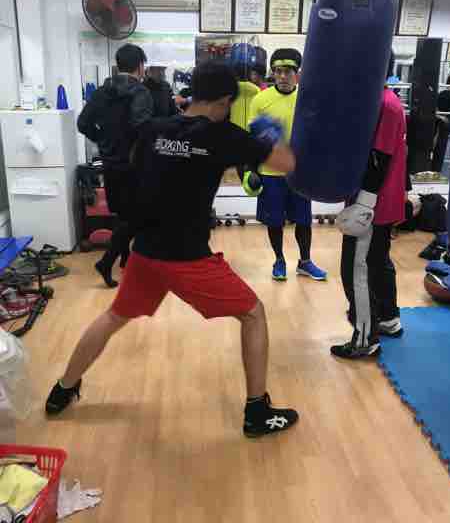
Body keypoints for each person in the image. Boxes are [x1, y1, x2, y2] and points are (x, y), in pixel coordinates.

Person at [46, 61, 299, 439]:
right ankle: (257, 411)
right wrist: (269, 136)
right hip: (187, 258)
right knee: (253, 313)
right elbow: (287, 163)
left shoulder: (154, 129)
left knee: (114, 316)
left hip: (146, 252)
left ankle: (63, 388)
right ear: (224, 101)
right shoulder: (223, 135)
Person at [331, 54, 406, 360]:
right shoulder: (385, 101)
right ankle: (388, 318)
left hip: (373, 203)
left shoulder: (384, 106)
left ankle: (365, 338)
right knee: (377, 262)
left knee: (355, 269)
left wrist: (363, 205)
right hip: (382, 201)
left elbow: (379, 159)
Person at [248, 49, 327, 282]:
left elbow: (316, 134)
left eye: (288, 72)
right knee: (274, 221)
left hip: (299, 172)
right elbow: (252, 138)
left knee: (304, 220)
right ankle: (279, 260)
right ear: (273, 73)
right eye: (278, 71)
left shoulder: (306, 99)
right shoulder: (260, 100)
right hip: (270, 171)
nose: (282, 76)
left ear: (297, 74)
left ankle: (305, 262)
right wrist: (250, 169)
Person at [77, 44, 153, 288]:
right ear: (140, 66)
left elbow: (82, 123)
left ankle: (126, 260)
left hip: (110, 163)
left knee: (123, 214)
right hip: (134, 165)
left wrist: (102, 139)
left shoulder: (102, 92)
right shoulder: (140, 92)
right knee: (137, 218)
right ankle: (107, 261)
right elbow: (142, 127)